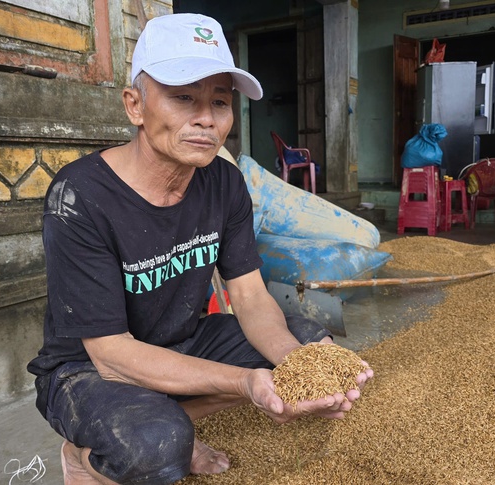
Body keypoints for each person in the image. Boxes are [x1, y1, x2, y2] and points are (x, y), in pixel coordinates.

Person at [26, 13, 373, 485]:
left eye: (220, 101)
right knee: (155, 448)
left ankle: (176, 416)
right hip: (89, 367)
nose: (206, 118)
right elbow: (110, 353)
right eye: (183, 97)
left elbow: (249, 296)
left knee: (310, 342)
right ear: (135, 105)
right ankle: (86, 456)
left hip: (182, 338)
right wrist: (247, 383)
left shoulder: (224, 181)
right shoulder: (79, 197)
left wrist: (301, 365)